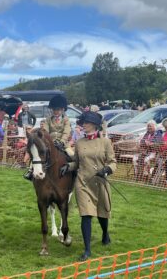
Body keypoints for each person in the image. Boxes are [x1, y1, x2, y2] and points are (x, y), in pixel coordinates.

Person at [60, 111, 116, 261]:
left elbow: (113, 162)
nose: (83, 125)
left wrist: (106, 170)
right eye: (83, 122)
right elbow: (77, 163)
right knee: (86, 215)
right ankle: (87, 250)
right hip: (83, 182)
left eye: (86, 122)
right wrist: (68, 166)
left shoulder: (105, 142)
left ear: (95, 125)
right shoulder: (79, 143)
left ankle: (105, 234)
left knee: (102, 214)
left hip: (100, 182)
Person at [24, 95, 73, 180]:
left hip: (63, 143)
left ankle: (75, 173)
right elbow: (45, 131)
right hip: (50, 142)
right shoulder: (48, 119)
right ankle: (31, 170)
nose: (56, 112)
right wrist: (47, 140)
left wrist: (61, 142)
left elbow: (66, 132)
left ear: (62, 109)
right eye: (54, 109)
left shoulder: (66, 120)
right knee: (38, 153)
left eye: (57, 110)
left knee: (72, 155)